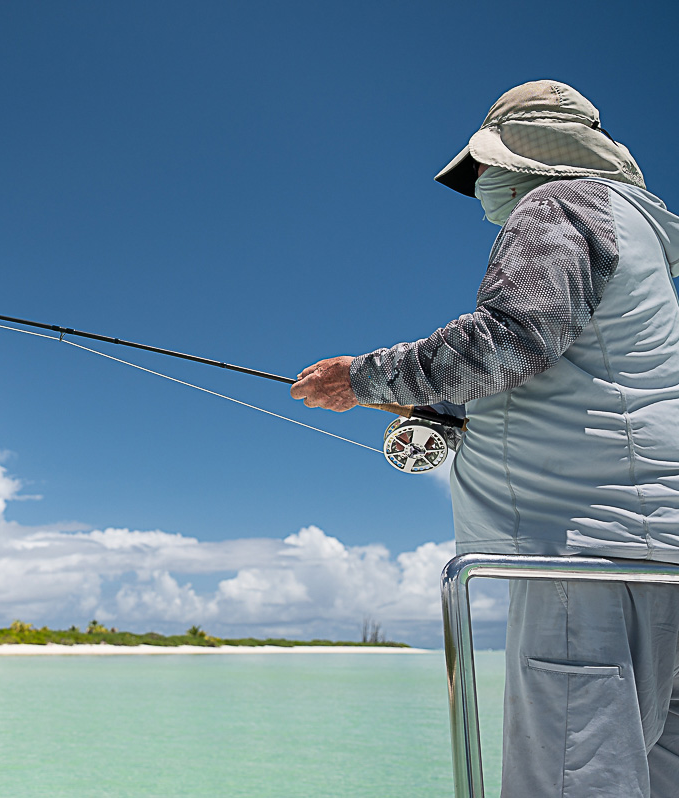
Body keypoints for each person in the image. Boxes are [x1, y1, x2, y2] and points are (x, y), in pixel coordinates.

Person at [291, 80, 679, 797]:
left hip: (583, 554)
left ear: (525, 159)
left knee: (571, 780)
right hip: (659, 555)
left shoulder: (559, 203)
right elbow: (578, 374)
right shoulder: (641, 232)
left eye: (483, 170)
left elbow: (509, 340)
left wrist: (364, 378)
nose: (481, 189)